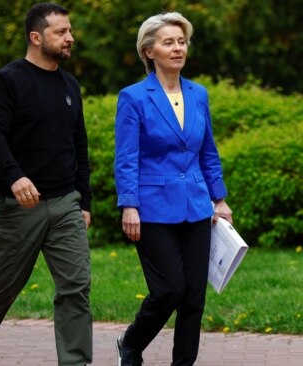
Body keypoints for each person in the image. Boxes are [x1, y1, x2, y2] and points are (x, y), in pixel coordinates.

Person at [0, 3, 93, 366]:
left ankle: (75, 362)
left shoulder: (69, 85)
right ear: (36, 37)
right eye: (61, 32)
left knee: (75, 287)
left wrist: (85, 201)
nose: (70, 38)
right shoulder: (8, 81)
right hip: (18, 208)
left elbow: (79, 144)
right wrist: (15, 177)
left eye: (70, 31)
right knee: (2, 289)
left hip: (64, 202)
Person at [113, 11, 233, 366]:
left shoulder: (199, 94)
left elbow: (208, 152)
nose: (178, 48)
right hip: (151, 209)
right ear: (149, 51)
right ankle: (131, 343)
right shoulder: (133, 97)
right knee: (169, 290)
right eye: (169, 42)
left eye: (182, 41)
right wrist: (129, 205)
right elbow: (126, 158)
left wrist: (219, 199)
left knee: (194, 297)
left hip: (197, 206)